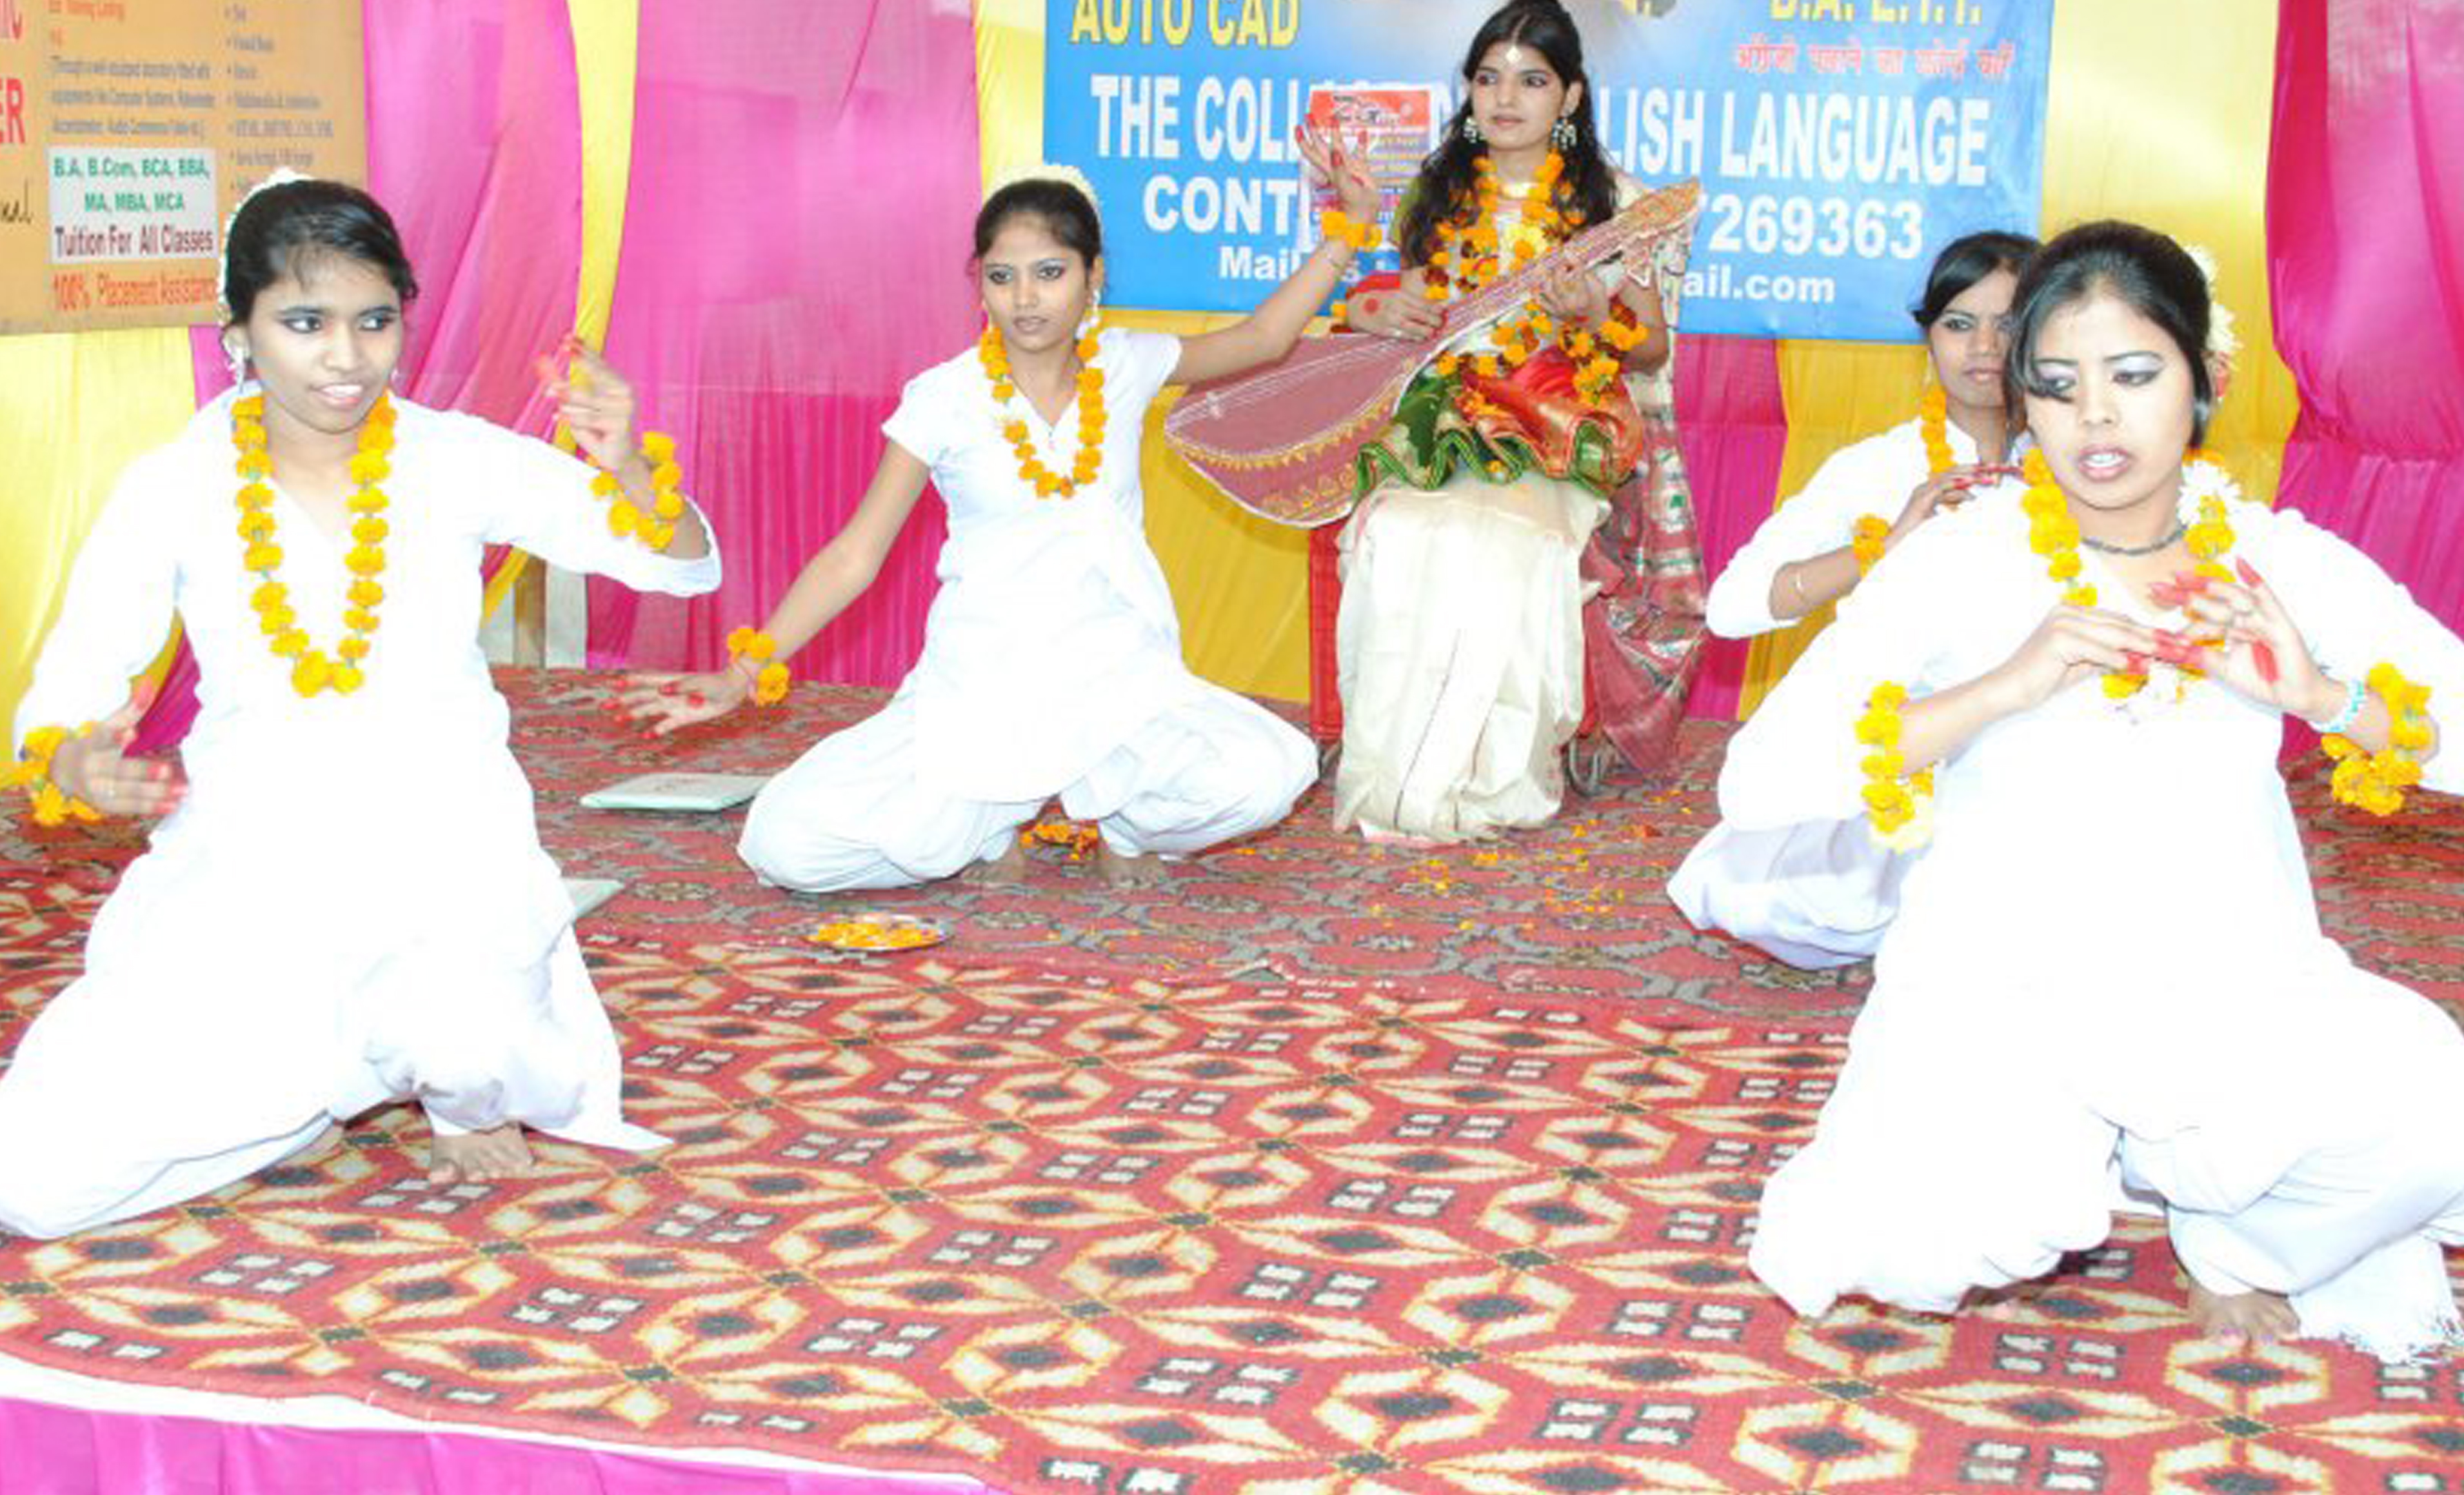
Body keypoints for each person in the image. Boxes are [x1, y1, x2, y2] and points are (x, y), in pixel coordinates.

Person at [1730, 220, 2464, 1359]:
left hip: (2222, 982)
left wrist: (2322, 695)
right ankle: (2096, 1155)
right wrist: (2003, 687)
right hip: (2000, 980)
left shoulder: (2279, 562)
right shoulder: (1961, 559)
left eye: (2135, 376)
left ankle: (2229, 1237)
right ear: (2023, 403)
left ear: (2207, 383)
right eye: (2058, 386)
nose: (2098, 419)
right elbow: (1759, 778)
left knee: (2445, 1136)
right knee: (1913, 1246)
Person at [0, 178, 719, 1238]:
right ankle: (311, 1094)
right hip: (252, 864)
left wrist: (627, 467)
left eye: (374, 320)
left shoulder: (451, 455)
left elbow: (681, 570)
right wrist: (78, 768)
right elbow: (69, 692)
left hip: (445, 860)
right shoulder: (175, 483)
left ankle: (375, 1074)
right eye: (305, 323)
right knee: (33, 1186)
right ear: (236, 332)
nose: (347, 358)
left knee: (476, 1054)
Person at [622, 146, 1377, 888]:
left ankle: (1123, 823)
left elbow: (1262, 339)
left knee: (1267, 772)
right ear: (978, 285)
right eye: (1002, 276)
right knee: (787, 843)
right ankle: (989, 823)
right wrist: (743, 670)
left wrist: (1352, 227)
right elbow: (855, 554)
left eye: (1050, 274)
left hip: (1118, 679)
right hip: (981, 687)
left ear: (1093, 279)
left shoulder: (1125, 364)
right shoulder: (944, 397)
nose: (1025, 299)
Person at [1333, 0, 1704, 844]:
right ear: (1468, 88)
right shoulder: (1442, 191)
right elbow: (1417, 304)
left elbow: (1646, 347)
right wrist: (1374, 308)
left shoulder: (1614, 202)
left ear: (1569, 97)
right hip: (1452, 418)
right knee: (1393, 536)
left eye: (1532, 80)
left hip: (1563, 426)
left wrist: (1585, 321)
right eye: (1489, 77)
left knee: (1505, 551)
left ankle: (1492, 784)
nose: (1506, 98)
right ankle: (1394, 776)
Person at [1669, 231, 2034, 966]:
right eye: (1959, 324)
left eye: (2011, 325)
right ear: (1927, 338)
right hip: (1907, 736)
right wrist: (1883, 548)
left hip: (2039, 733)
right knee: (1778, 902)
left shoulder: (2082, 462)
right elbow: (1733, 607)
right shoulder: (1878, 465)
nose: (1985, 347)